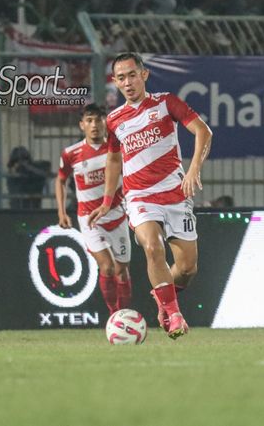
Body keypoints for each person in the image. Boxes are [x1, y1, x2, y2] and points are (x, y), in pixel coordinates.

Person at [89, 52, 213, 339]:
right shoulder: (114, 120)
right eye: (121, 78)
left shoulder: (166, 102)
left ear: (144, 75)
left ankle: (162, 298)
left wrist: (194, 169)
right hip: (140, 197)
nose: (128, 82)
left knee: (187, 268)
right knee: (153, 247)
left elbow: (203, 132)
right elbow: (114, 160)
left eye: (132, 75)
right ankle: (174, 313)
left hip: (175, 194)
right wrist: (108, 200)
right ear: (115, 82)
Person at [55, 104, 133, 315]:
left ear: (105, 122)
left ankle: (124, 315)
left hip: (117, 216)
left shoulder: (117, 149)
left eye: (98, 120)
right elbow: (60, 180)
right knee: (106, 267)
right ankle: (113, 315)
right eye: (89, 120)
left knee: (122, 270)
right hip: (90, 220)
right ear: (82, 125)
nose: (94, 125)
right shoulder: (71, 153)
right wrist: (62, 212)